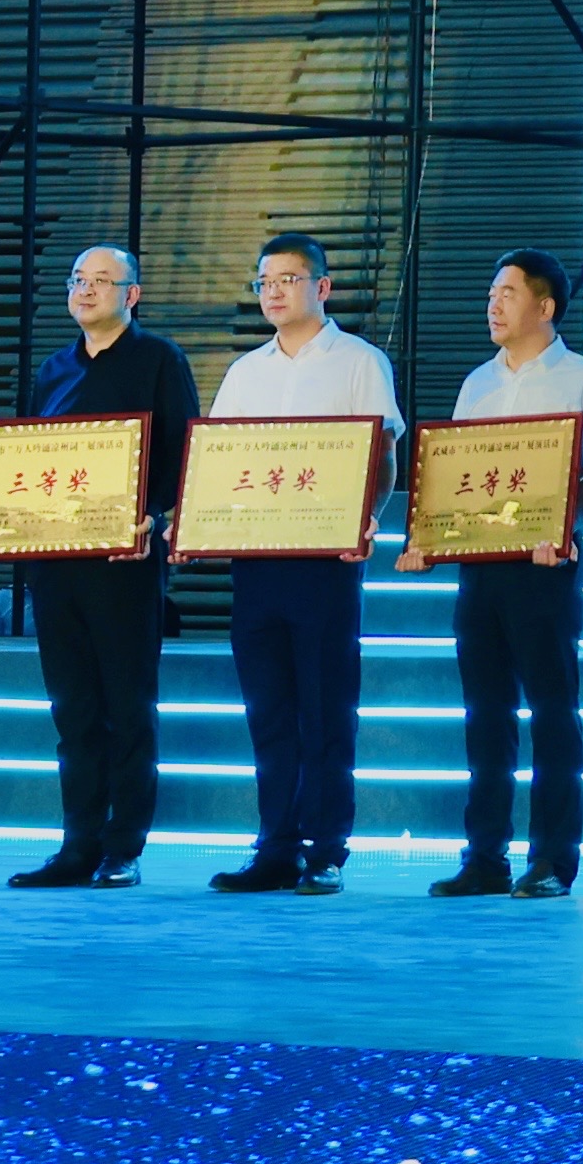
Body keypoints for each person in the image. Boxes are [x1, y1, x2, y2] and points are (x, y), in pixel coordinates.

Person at [206, 231, 403, 894]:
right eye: (264, 282)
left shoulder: (360, 361)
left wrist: (366, 519)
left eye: (287, 280)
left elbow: (382, 455)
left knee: (324, 709)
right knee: (268, 711)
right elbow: (221, 461)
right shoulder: (245, 371)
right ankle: (275, 847)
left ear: (322, 286)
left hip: (325, 559)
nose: (273, 292)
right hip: (257, 559)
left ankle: (326, 850)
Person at [8, 244, 198, 889]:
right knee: (74, 709)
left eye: (101, 281)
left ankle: (124, 846)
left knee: (127, 706)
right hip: (57, 562)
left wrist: (156, 515)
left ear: (132, 295)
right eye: (77, 280)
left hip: (126, 559)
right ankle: (77, 845)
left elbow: (184, 449)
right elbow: (28, 458)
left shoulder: (159, 359)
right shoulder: (53, 368)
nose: (85, 290)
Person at [432, 247, 583, 899]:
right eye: (491, 294)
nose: (493, 305)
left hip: (545, 569)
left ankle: (552, 861)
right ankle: (485, 856)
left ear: (545, 306)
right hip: (481, 568)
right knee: (485, 714)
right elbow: (456, 474)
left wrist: (564, 532)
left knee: (552, 713)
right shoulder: (476, 384)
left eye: (507, 293)